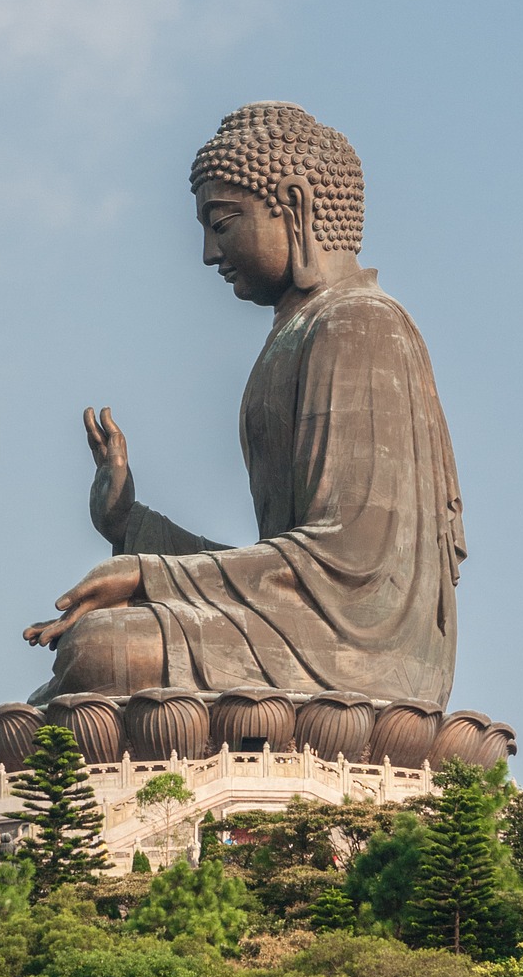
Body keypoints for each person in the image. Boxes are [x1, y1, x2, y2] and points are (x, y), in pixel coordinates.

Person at [25, 102, 465, 707]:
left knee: (102, 651)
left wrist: (153, 575)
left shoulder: (357, 325)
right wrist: (130, 527)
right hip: (299, 627)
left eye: (223, 221)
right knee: (73, 673)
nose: (209, 252)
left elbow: (348, 565)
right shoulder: (300, 331)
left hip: (359, 656)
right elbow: (287, 570)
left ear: (295, 204)